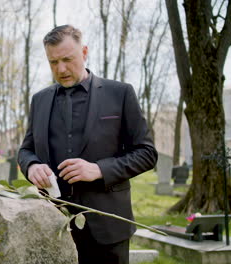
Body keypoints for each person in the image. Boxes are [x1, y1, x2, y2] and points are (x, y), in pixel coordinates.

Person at [17, 25, 157, 264]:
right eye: (53, 62)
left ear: (84, 52)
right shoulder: (39, 100)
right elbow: (26, 150)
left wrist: (99, 169)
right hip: (51, 226)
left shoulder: (120, 93)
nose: (60, 69)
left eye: (67, 59)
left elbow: (147, 153)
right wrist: (31, 167)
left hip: (108, 229)